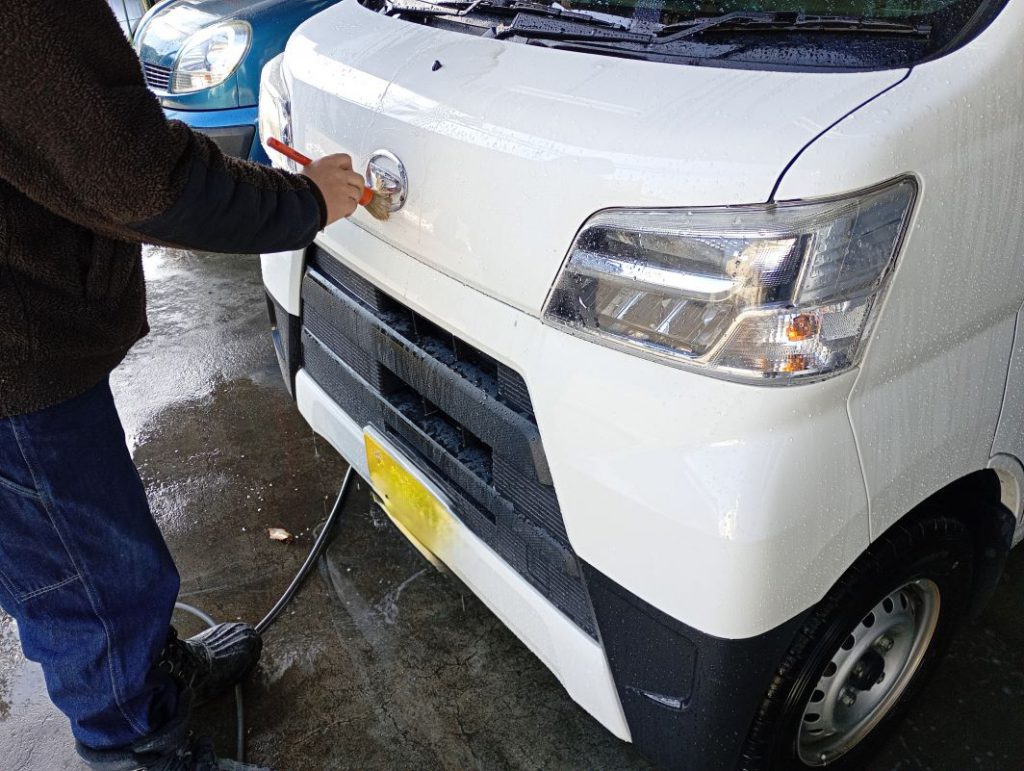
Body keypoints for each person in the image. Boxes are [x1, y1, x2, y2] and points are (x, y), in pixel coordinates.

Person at [0, 2, 368, 769]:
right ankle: (135, 745)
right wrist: (303, 201)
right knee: (84, 578)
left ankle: (147, 678)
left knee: (85, 549)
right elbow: (140, 177)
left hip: (26, 339)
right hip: (14, 364)